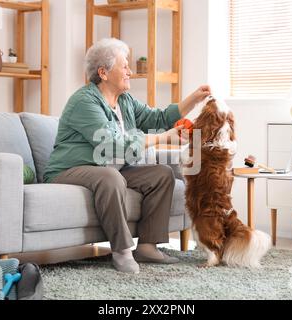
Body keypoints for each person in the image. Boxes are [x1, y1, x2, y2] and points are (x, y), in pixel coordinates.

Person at [44, 38, 211, 274]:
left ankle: (147, 246)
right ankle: (121, 250)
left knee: (161, 174)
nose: (130, 72)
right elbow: (113, 145)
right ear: (103, 72)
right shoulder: (84, 101)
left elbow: (158, 119)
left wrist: (194, 99)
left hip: (112, 168)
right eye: (124, 66)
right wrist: (163, 138)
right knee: (110, 178)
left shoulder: (125, 101)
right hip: (70, 170)